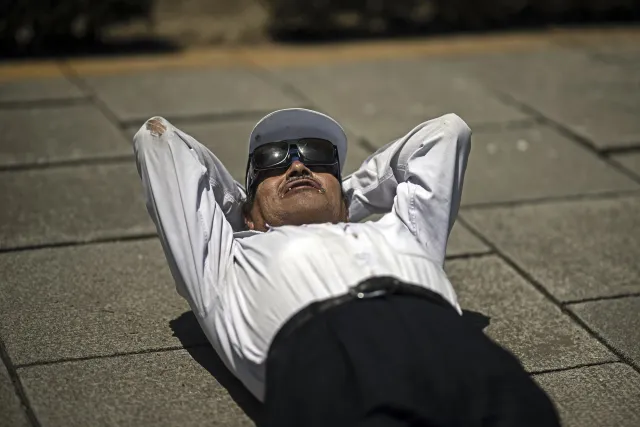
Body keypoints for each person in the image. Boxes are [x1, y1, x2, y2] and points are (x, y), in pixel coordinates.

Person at [133, 108, 560, 427]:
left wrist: (342, 202)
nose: (298, 165)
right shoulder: (224, 261)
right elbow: (159, 143)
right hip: (327, 353)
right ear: (248, 213)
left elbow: (446, 133)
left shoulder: (402, 233)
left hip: (445, 336)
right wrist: (245, 209)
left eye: (318, 159)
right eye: (273, 162)